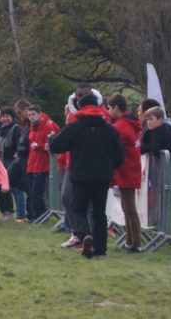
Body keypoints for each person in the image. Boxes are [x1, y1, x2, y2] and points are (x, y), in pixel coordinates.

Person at [49, 92, 123, 258]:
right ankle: (100, 248)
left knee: (79, 208)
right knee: (99, 212)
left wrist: (51, 139)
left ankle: (85, 235)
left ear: (80, 107)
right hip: (102, 176)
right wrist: (110, 168)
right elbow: (119, 155)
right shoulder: (109, 128)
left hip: (80, 175)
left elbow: (57, 146)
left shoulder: (75, 126)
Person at [106, 94, 143, 252]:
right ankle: (130, 241)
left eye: (109, 108)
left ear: (116, 107)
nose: (108, 111)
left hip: (125, 171)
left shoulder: (120, 127)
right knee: (127, 208)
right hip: (131, 169)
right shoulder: (131, 123)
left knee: (130, 208)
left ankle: (135, 243)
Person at [22, 104, 58, 221]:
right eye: (29, 115)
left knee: (36, 193)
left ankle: (39, 215)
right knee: (32, 193)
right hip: (32, 164)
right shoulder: (32, 127)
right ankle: (37, 214)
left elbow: (53, 144)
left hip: (42, 164)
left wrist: (40, 146)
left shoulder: (48, 126)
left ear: (39, 114)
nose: (31, 117)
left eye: (33, 114)